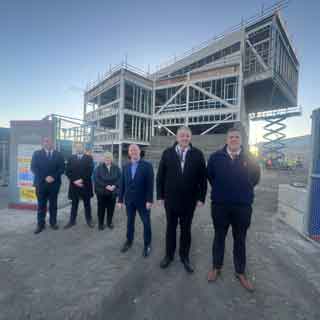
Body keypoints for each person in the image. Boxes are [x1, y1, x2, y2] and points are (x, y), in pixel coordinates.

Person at [207, 127, 260, 292]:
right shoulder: (216, 157)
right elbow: (211, 176)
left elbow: (255, 178)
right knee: (219, 237)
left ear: (241, 140)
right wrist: (222, 191)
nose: (234, 139)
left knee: (240, 239)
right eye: (231, 137)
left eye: (237, 137)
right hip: (220, 206)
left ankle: (240, 272)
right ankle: (217, 266)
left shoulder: (250, 158)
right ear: (226, 139)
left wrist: (242, 191)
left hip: (242, 207)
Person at [157, 126, 207, 273]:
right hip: (171, 200)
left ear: (190, 137)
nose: (184, 138)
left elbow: (202, 179)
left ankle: (184, 256)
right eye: (182, 136)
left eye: (187, 136)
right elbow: (160, 176)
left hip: (189, 201)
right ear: (177, 137)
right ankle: (169, 255)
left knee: (186, 230)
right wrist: (160, 196)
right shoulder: (167, 153)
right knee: (170, 228)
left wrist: (201, 197)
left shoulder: (197, 154)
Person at [118, 144, 154, 258]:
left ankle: (147, 245)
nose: (133, 152)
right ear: (129, 153)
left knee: (146, 223)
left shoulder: (147, 166)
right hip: (129, 201)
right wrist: (120, 199)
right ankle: (129, 241)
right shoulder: (125, 166)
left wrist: (149, 200)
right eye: (131, 150)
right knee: (130, 222)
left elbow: (150, 184)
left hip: (143, 201)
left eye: (135, 150)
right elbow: (122, 184)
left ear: (139, 151)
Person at [31, 137, 65, 234]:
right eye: (46, 141)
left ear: (52, 143)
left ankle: (53, 223)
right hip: (41, 184)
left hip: (54, 184)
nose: (48, 143)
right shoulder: (37, 154)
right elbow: (34, 168)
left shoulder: (58, 154)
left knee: (53, 205)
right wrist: (45, 177)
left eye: (50, 141)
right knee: (41, 205)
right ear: (43, 143)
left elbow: (62, 168)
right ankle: (40, 225)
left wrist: (53, 177)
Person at [64, 143, 94, 229]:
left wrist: (81, 180)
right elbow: (67, 171)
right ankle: (72, 221)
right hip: (74, 185)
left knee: (87, 204)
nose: (78, 148)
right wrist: (74, 181)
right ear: (75, 148)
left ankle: (89, 220)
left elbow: (90, 171)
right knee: (74, 204)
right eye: (77, 147)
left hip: (85, 185)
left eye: (80, 147)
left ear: (83, 148)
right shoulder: (71, 158)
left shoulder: (89, 158)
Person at [93, 151, 121, 230]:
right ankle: (100, 224)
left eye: (109, 158)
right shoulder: (98, 168)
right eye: (105, 158)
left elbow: (120, 178)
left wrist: (114, 185)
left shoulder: (116, 168)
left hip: (113, 192)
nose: (107, 159)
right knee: (101, 208)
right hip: (101, 192)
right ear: (103, 159)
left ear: (111, 159)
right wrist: (106, 186)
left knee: (111, 208)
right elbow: (96, 179)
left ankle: (109, 222)